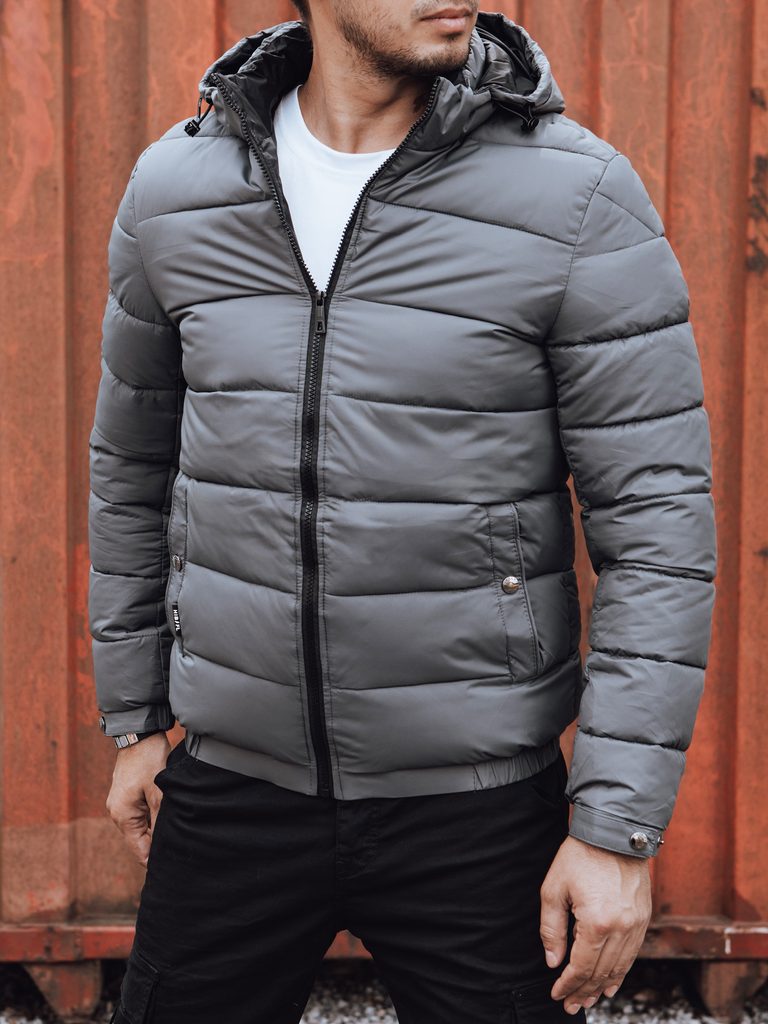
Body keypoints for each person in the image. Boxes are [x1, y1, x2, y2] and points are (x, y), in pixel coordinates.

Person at [87, 3, 717, 1022]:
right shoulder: (177, 190)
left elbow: (657, 528)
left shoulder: (576, 196)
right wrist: (135, 720)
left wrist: (614, 828)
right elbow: (132, 468)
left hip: (475, 811)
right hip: (234, 791)